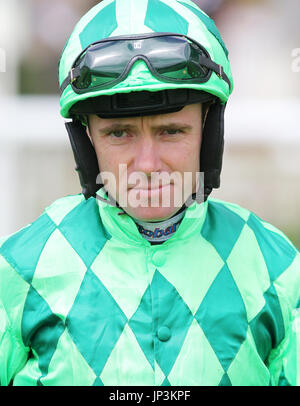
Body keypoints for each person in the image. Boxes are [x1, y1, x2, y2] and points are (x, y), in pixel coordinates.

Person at [0, 0, 299, 387]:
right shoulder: (19, 268)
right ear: (87, 139)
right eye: (119, 133)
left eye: (171, 131)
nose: (147, 164)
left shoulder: (276, 269)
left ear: (209, 130)